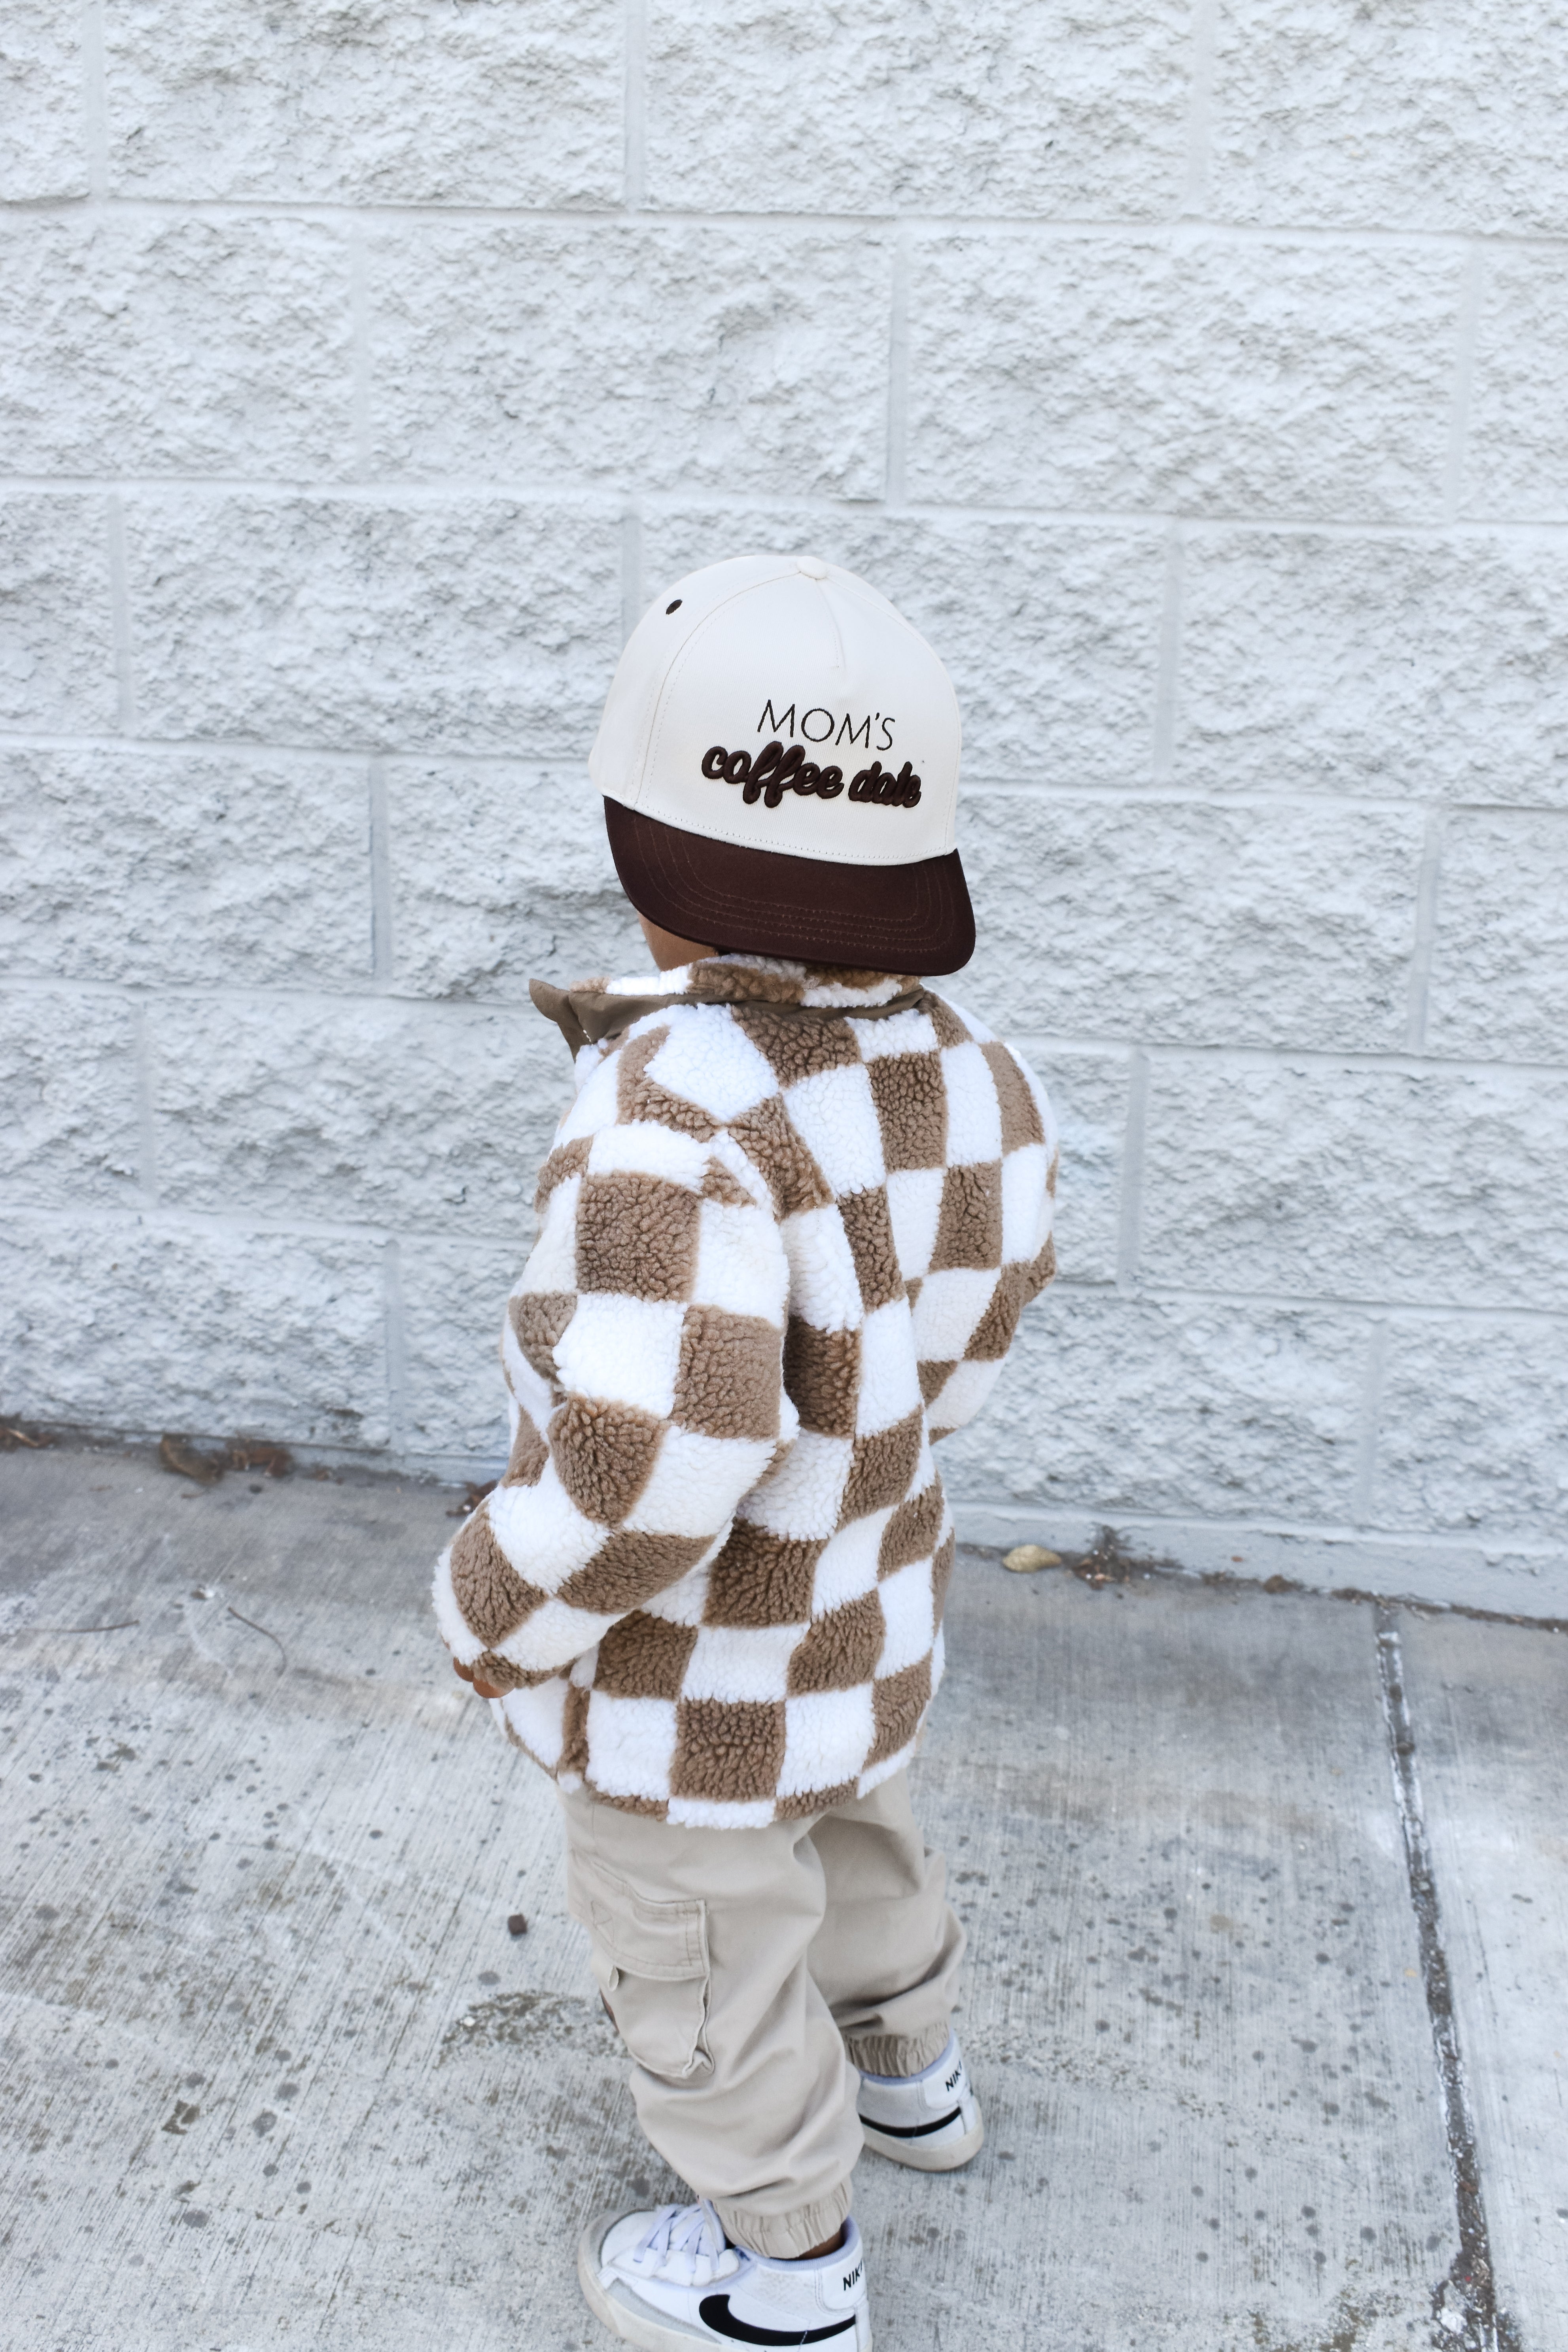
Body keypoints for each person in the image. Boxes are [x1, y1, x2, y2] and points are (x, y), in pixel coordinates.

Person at [433, 554, 1058, 2350]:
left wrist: (491, 1597)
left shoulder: (667, 1123)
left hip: (681, 1681)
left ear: (650, 871)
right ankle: (912, 2082)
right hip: (860, 1602)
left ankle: (781, 2264)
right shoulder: (972, 1069)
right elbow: (980, 1321)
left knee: (695, 1945)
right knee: (853, 1839)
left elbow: (647, 1462)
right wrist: (872, 1460)